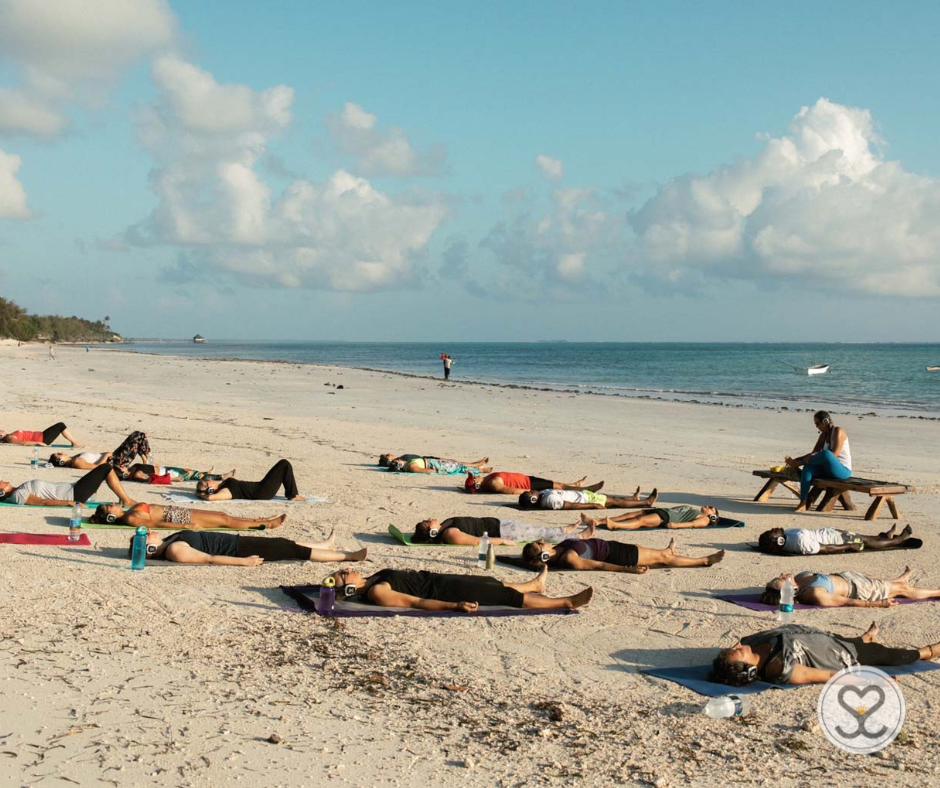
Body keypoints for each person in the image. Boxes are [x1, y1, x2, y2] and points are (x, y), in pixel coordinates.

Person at [710, 622, 940, 686]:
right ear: (749, 669)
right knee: (887, 654)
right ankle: (927, 652)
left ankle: (864, 637)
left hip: (826, 640)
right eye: (737, 653)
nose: (737, 647)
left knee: (853, 641)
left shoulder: (751, 644)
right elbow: (828, 677)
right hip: (845, 655)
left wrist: (744, 646)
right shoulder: (780, 668)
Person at [323, 566, 593, 612]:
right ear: (347, 590)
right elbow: (416, 603)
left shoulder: (372, 579)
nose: (348, 570)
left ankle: (534, 585)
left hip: (441, 580)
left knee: (488, 583)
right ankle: (565, 602)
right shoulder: (376, 591)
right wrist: (454, 605)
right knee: (505, 597)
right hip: (446, 593)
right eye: (343, 574)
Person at [138, 527, 366, 566]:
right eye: (144, 537)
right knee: (294, 552)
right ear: (148, 550)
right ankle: (347, 557)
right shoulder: (174, 550)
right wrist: (244, 561)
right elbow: (209, 558)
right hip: (240, 550)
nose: (148, 532)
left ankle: (325, 545)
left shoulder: (170, 540)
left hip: (239, 542)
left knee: (282, 544)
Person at [760, 567, 940, 608]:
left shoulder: (800, 578)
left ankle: (898, 579)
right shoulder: (813, 593)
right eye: (780, 580)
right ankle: (936, 592)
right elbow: (845, 601)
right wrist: (877, 604)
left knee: (892, 584)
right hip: (860, 589)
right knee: (904, 591)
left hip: (848, 578)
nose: (782, 575)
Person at [521, 536, 725, 572]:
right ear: (544, 557)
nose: (542, 541)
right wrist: (628, 569)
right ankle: (704, 560)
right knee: (663, 560)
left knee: (657, 554)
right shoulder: (569, 558)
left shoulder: (559, 549)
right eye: (540, 545)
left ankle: (666, 551)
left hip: (612, 546)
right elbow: (600, 566)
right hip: (619, 556)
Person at [784, 410, 853, 512]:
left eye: (817, 423)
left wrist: (799, 462)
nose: (816, 426)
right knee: (808, 468)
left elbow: (834, 454)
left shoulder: (838, 431)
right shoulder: (823, 436)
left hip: (842, 470)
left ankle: (798, 465)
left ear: (825, 421)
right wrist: (795, 460)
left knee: (826, 454)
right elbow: (813, 453)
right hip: (827, 469)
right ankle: (803, 502)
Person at [0, 463, 136, 507]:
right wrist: (69, 503)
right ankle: (126, 500)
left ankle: (125, 499)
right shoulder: (18, 495)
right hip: (74, 494)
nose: (1, 479)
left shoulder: (18, 490)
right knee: (105, 468)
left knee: (106, 469)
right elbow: (43, 502)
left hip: (74, 488)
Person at [90, 502, 287, 531]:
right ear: (110, 517)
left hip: (177, 511)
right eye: (110, 507)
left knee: (222, 514)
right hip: (178, 518)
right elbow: (158, 523)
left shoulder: (128, 510)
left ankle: (262, 519)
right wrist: (185, 526)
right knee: (225, 521)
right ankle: (267, 524)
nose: (113, 504)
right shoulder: (131, 519)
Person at [412, 516, 595, 546]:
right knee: (539, 534)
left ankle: (563, 529)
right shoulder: (450, 533)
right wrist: (502, 541)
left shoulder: (445, 526)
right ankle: (579, 536)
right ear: (432, 532)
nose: (430, 518)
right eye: (428, 522)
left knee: (538, 530)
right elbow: (478, 542)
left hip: (500, 524)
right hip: (503, 531)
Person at [757, 524, 920, 555]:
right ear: (778, 541)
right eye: (773, 532)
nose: (774, 528)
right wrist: (847, 547)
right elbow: (825, 549)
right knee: (866, 542)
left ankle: (886, 536)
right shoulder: (800, 542)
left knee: (865, 538)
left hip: (831, 533)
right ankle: (898, 540)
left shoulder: (787, 537)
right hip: (836, 539)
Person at [196, 459, 305, 501]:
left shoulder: (222, 486)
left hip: (261, 487)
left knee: (284, 464)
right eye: (207, 482)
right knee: (284, 464)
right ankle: (293, 495)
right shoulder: (225, 492)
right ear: (210, 489)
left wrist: (199, 493)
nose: (209, 479)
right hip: (263, 491)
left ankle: (292, 494)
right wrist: (202, 495)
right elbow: (210, 498)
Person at [580, 504, 721, 530]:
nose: (707, 506)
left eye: (710, 507)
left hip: (666, 517)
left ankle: (615, 525)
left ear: (712, 514)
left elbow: (692, 525)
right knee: (629, 514)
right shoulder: (696, 510)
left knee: (639, 521)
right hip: (664, 511)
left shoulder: (705, 519)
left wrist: (675, 525)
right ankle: (597, 521)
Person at [517, 487, 658, 511]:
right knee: (616, 502)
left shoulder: (542, 494)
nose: (532, 490)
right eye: (530, 493)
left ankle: (633, 498)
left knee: (614, 499)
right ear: (533, 501)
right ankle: (646, 502)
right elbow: (570, 506)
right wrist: (592, 505)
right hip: (585, 500)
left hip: (584, 495)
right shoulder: (549, 501)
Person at [465, 471, 603, 495]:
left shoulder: (489, 479)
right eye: (474, 478)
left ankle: (574, 485)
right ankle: (584, 489)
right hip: (529, 485)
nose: (476, 476)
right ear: (476, 484)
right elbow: (512, 490)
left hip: (527, 479)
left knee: (556, 483)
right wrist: (531, 492)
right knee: (558, 486)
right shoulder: (493, 483)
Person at [381, 453, 491, 475]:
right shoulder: (411, 467)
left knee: (456, 464)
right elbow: (424, 470)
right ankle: (480, 470)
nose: (398, 459)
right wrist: (438, 471)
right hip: (435, 465)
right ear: (399, 465)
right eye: (397, 461)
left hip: (432, 462)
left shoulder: (408, 463)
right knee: (457, 467)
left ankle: (477, 465)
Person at [118, 464, 233, 484]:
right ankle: (221, 476)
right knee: (191, 474)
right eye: (120, 468)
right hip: (168, 473)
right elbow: (153, 479)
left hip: (164, 468)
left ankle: (206, 473)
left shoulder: (132, 469)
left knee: (189, 471)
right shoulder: (136, 474)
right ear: (123, 474)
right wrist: (172, 479)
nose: (121, 466)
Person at [0, 422, 82, 447]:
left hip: (42, 435)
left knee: (60, 425)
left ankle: (74, 442)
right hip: (42, 439)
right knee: (61, 425)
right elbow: (22, 443)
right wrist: (37, 443)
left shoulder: (9, 435)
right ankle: (74, 443)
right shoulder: (10, 438)